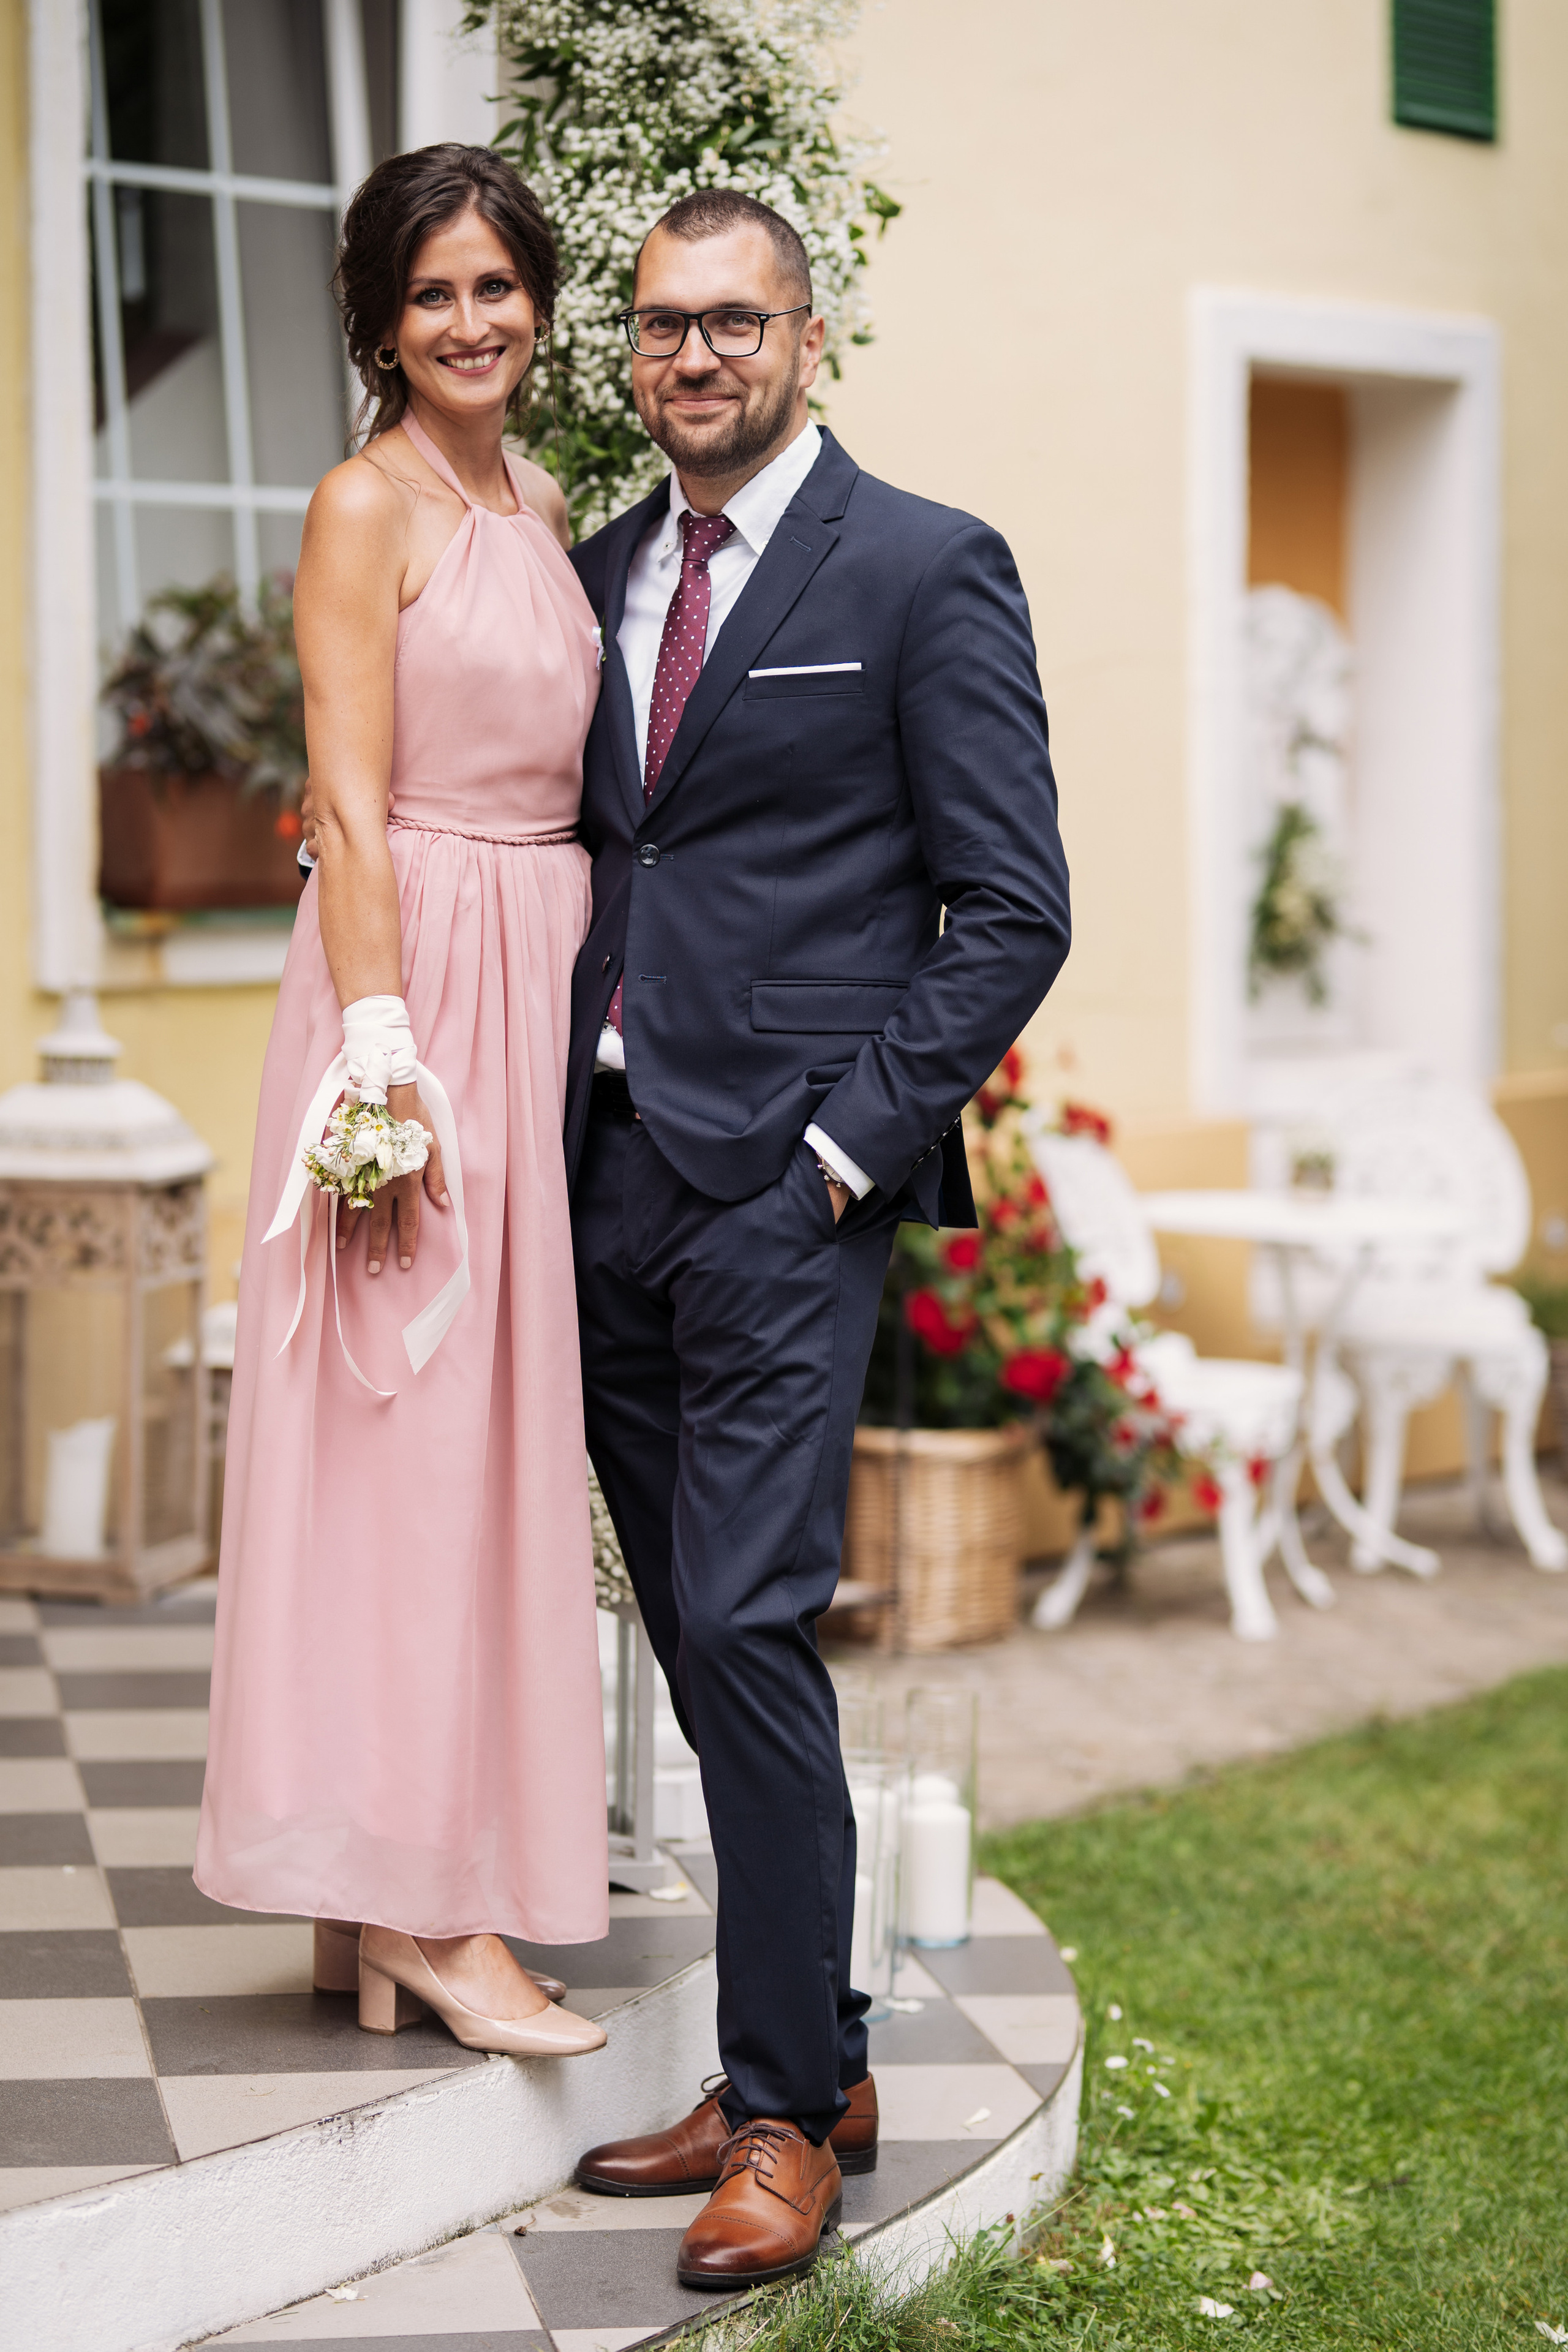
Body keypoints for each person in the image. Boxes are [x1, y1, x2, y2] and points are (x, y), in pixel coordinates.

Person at [566, 191, 1071, 2285]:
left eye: (737, 323)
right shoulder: (598, 571)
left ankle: (783, 2121)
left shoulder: (926, 564)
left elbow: (1013, 906)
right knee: (698, 1636)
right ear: (635, 355)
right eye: (667, 327)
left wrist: (847, 1153)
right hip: (603, 1174)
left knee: (751, 1625)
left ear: (809, 334)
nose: (700, 358)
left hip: (787, 1190)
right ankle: (819, 2048)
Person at [195, 145, 609, 2060]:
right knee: (408, 1438)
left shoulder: (536, 495)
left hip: (545, 969)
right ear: (379, 320)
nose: (473, 320)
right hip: (416, 982)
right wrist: (381, 1054)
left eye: (498, 284)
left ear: (538, 298)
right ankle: (422, 1905)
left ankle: (413, 1879)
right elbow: (348, 800)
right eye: (434, 292)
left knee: (495, 1440)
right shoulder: (364, 505)